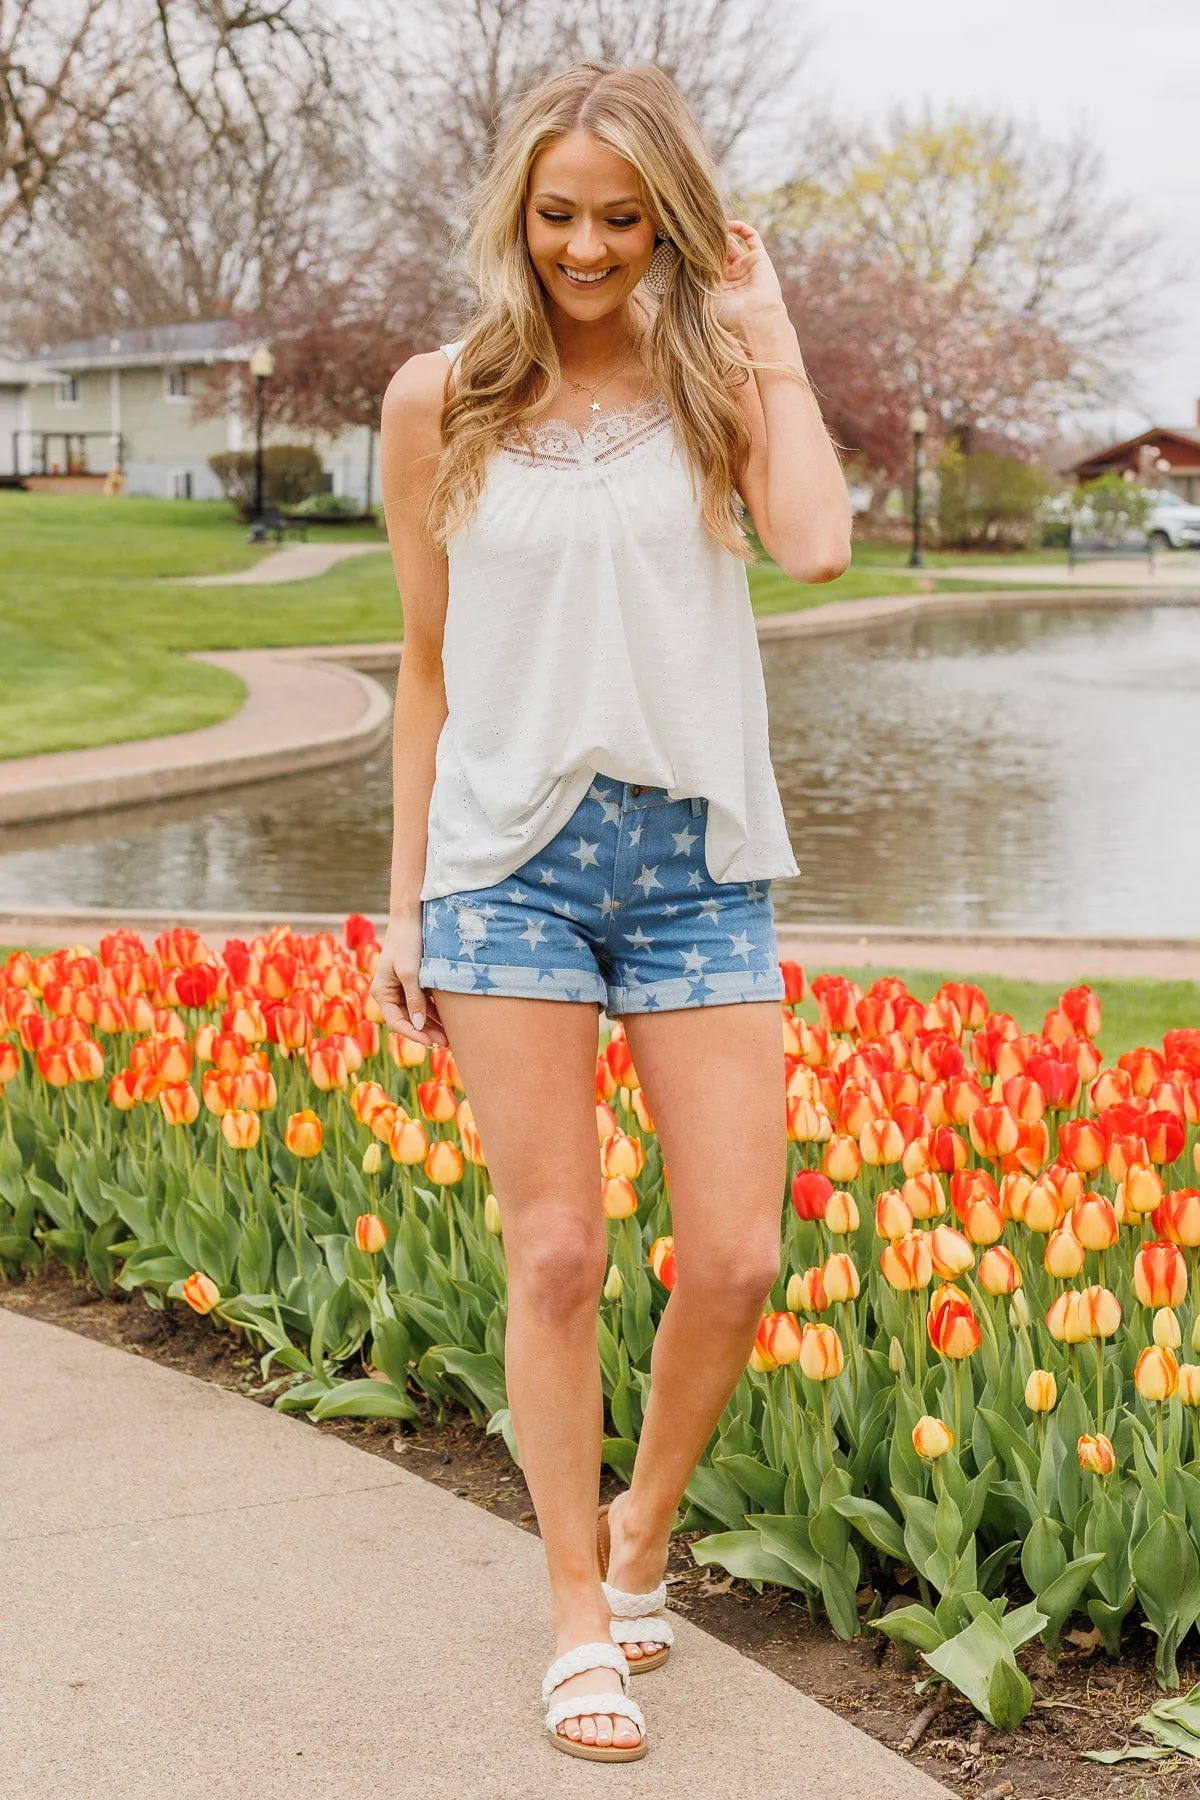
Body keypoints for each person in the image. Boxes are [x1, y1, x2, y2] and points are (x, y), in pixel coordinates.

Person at [371, 59, 850, 1765]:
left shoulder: (718, 384)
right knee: (557, 1250)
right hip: (507, 866)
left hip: (697, 865)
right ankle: (579, 1612)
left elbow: (814, 549)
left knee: (733, 1258)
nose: (585, 246)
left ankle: (646, 1525)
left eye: (621, 217)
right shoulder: (442, 399)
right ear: (518, 214)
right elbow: (424, 670)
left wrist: (765, 319)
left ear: (671, 217)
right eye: (558, 214)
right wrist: (404, 902)